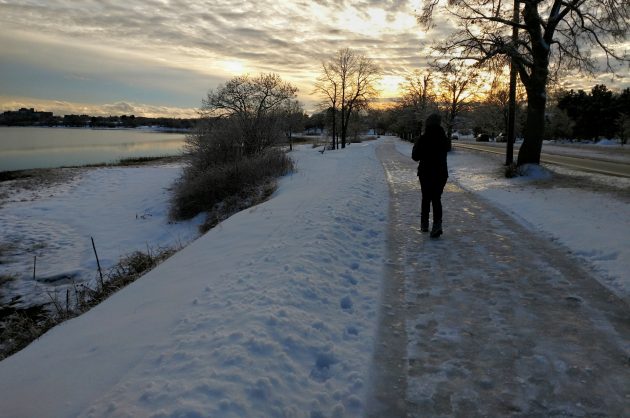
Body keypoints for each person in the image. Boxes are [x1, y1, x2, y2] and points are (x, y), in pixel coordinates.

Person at [411, 113, 449, 238]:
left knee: (426, 198)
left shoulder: (424, 138)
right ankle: (437, 224)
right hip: (441, 173)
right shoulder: (444, 138)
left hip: (426, 173)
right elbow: (447, 149)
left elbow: (415, 156)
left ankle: (424, 223)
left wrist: (417, 144)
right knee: (436, 198)